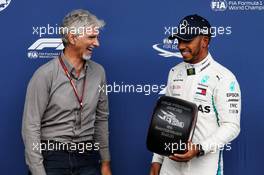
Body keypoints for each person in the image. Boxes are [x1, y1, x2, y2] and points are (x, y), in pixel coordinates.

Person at [22, 9, 111, 175]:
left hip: (87, 157)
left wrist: (105, 163)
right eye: (91, 37)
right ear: (72, 38)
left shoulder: (99, 73)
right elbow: (30, 127)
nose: (97, 43)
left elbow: (101, 119)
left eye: (97, 37)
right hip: (52, 158)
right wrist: (38, 171)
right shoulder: (45, 75)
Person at [150, 14, 241, 175]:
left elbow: (231, 126)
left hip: (204, 168)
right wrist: (157, 161)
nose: (180, 46)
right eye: (179, 40)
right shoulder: (174, 72)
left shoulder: (224, 77)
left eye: (187, 40)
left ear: (205, 41)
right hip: (169, 169)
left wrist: (199, 149)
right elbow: (164, 123)